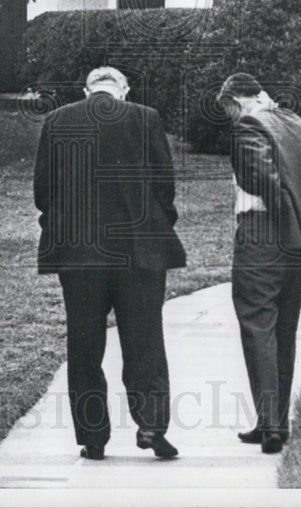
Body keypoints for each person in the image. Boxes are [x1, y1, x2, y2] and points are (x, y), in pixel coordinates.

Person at [33, 66, 186, 461]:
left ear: (87, 90)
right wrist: (159, 224)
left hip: (78, 252)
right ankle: (151, 424)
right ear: (124, 89)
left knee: (84, 345)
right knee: (145, 339)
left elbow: (43, 188)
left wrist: (59, 227)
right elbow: (163, 183)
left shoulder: (56, 121)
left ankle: (93, 436)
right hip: (139, 249)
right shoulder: (145, 117)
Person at [217, 73, 301, 454]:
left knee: (258, 324)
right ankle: (274, 420)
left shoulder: (248, 124)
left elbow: (263, 178)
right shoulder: (293, 122)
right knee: (284, 328)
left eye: (229, 110)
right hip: (299, 242)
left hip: (262, 234)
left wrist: (280, 217)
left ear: (235, 102)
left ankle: (271, 424)